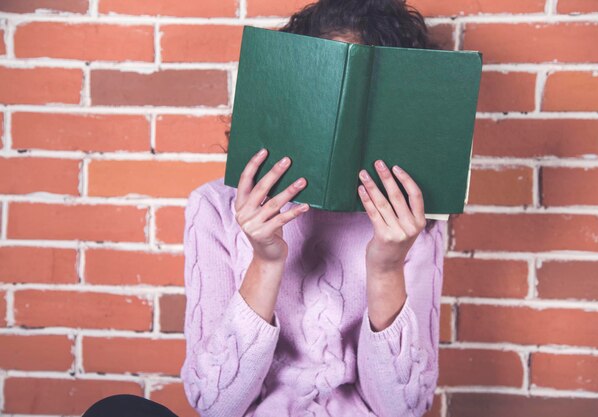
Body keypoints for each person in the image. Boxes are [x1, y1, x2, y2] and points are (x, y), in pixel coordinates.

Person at [82, 0, 444, 416]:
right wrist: (265, 260)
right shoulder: (215, 207)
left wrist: (386, 267)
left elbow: (403, 409)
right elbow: (216, 405)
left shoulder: (411, 222)